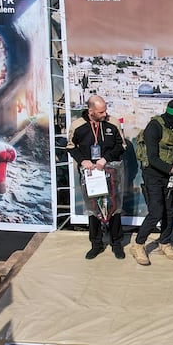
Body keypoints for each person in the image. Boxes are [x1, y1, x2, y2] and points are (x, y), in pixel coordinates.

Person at [68, 95, 128, 260]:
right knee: (93, 209)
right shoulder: (78, 126)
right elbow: (71, 147)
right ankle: (96, 243)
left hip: (110, 171)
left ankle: (117, 243)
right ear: (90, 111)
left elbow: (121, 145)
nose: (104, 114)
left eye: (105, 110)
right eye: (101, 112)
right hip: (90, 174)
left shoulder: (112, 123)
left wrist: (105, 159)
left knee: (113, 207)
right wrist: (83, 160)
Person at [131, 99, 173, 265]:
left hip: (170, 176)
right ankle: (139, 244)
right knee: (156, 212)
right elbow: (153, 158)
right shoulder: (154, 127)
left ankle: (164, 241)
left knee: (170, 211)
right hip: (153, 174)